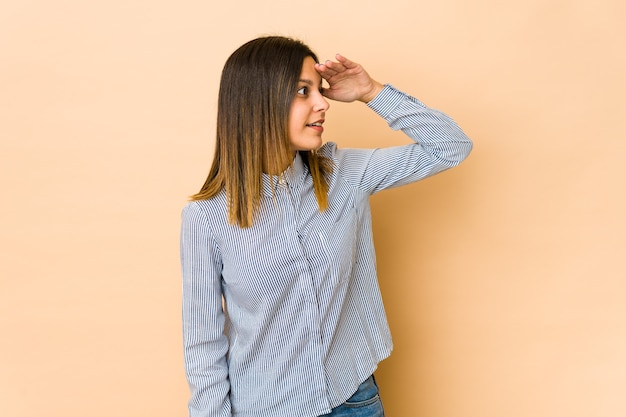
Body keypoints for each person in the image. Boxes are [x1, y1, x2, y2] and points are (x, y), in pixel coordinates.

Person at [180, 35, 473, 417]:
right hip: (265, 408)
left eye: (319, 90)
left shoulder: (345, 174)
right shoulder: (206, 219)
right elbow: (202, 344)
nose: (322, 104)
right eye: (303, 92)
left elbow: (451, 145)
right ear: (258, 102)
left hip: (354, 399)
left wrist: (371, 92)